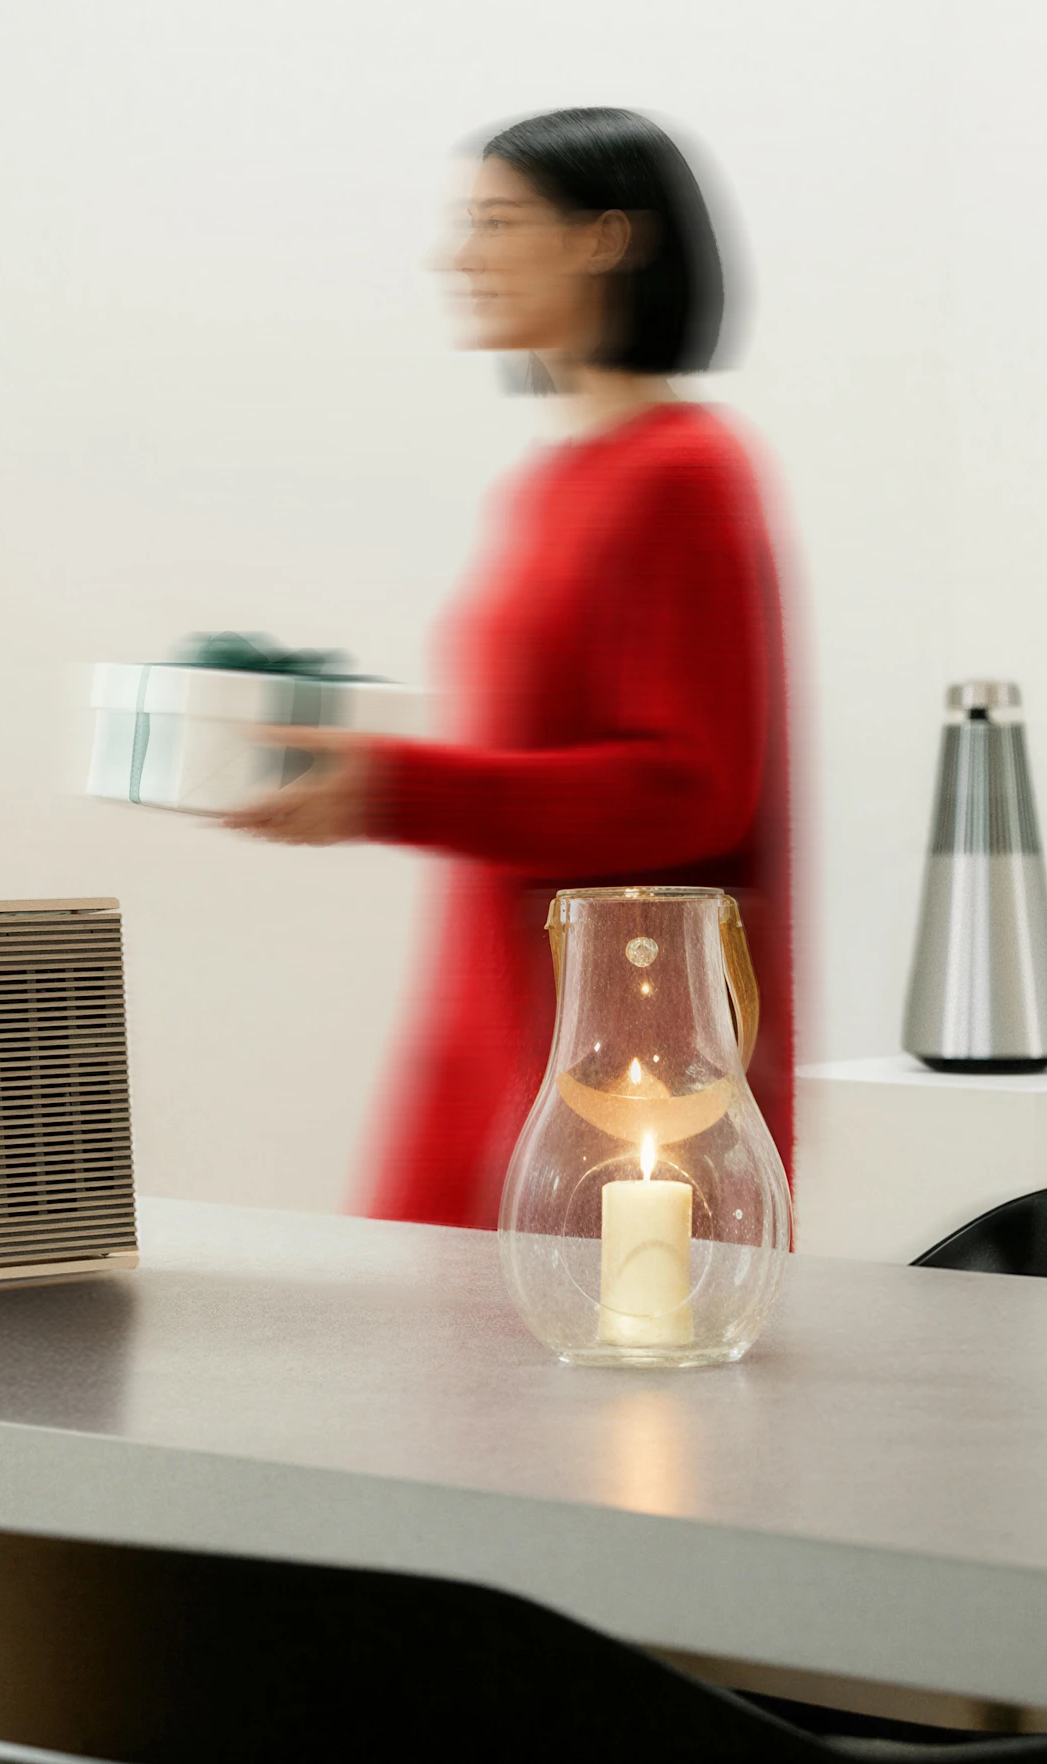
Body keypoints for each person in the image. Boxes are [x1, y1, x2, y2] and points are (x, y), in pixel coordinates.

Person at [229, 107, 793, 1230]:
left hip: (623, 1080)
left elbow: (692, 788)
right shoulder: (555, 485)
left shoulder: (686, 473)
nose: (459, 257)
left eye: (496, 222)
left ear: (603, 240)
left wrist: (396, 788)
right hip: (501, 1037)